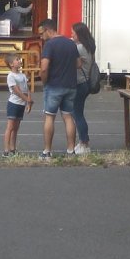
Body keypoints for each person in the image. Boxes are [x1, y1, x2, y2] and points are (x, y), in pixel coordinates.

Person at [38, 18, 81, 159]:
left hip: (54, 85)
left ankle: (47, 151)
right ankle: (70, 151)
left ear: (48, 30)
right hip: (70, 85)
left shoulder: (49, 45)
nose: (41, 36)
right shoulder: (71, 43)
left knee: (49, 117)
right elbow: (79, 64)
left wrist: (44, 82)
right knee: (68, 117)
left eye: (41, 33)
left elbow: (44, 68)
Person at [71, 22, 97, 155]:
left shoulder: (79, 48)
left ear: (79, 35)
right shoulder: (89, 47)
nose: (71, 35)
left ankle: (84, 142)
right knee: (78, 113)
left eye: (73, 33)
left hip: (80, 83)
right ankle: (82, 142)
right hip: (86, 83)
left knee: (77, 114)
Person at [3, 53, 32, 157]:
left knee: (16, 128)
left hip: (21, 104)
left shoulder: (23, 75)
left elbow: (26, 89)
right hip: (14, 104)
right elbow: (17, 91)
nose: (20, 61)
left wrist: (29, 101)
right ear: (11, 64)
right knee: (10, 127)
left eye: (19, 59)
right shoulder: (11, 76)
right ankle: (6, 150)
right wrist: (27, 100)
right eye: (17, 59)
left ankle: (13, 149)